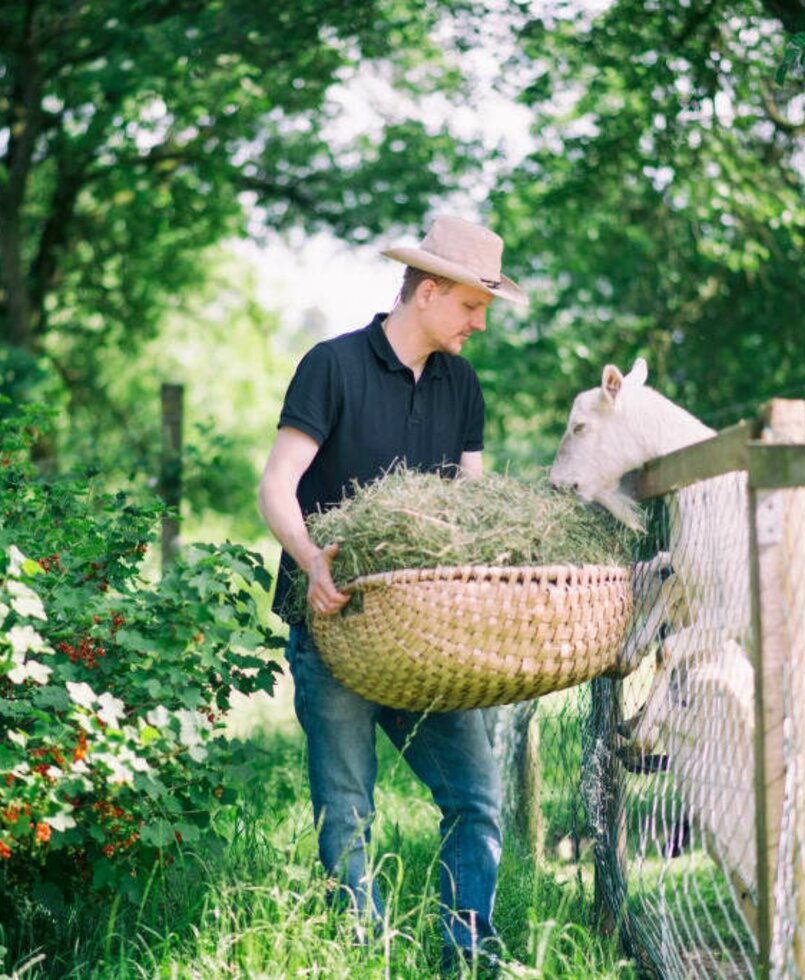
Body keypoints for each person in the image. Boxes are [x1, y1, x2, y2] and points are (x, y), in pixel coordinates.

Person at [257, 214, 529, 971]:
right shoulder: (332, 366)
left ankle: (467, 956)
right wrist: (313, 561)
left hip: (426, 642)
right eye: (474, 305)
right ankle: (365, 957)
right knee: (348, 814)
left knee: (476, 801)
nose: (481, 322)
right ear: (429, 291)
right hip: (335, 628)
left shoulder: (462, 385)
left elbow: (472, 512)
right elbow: (276, 486)